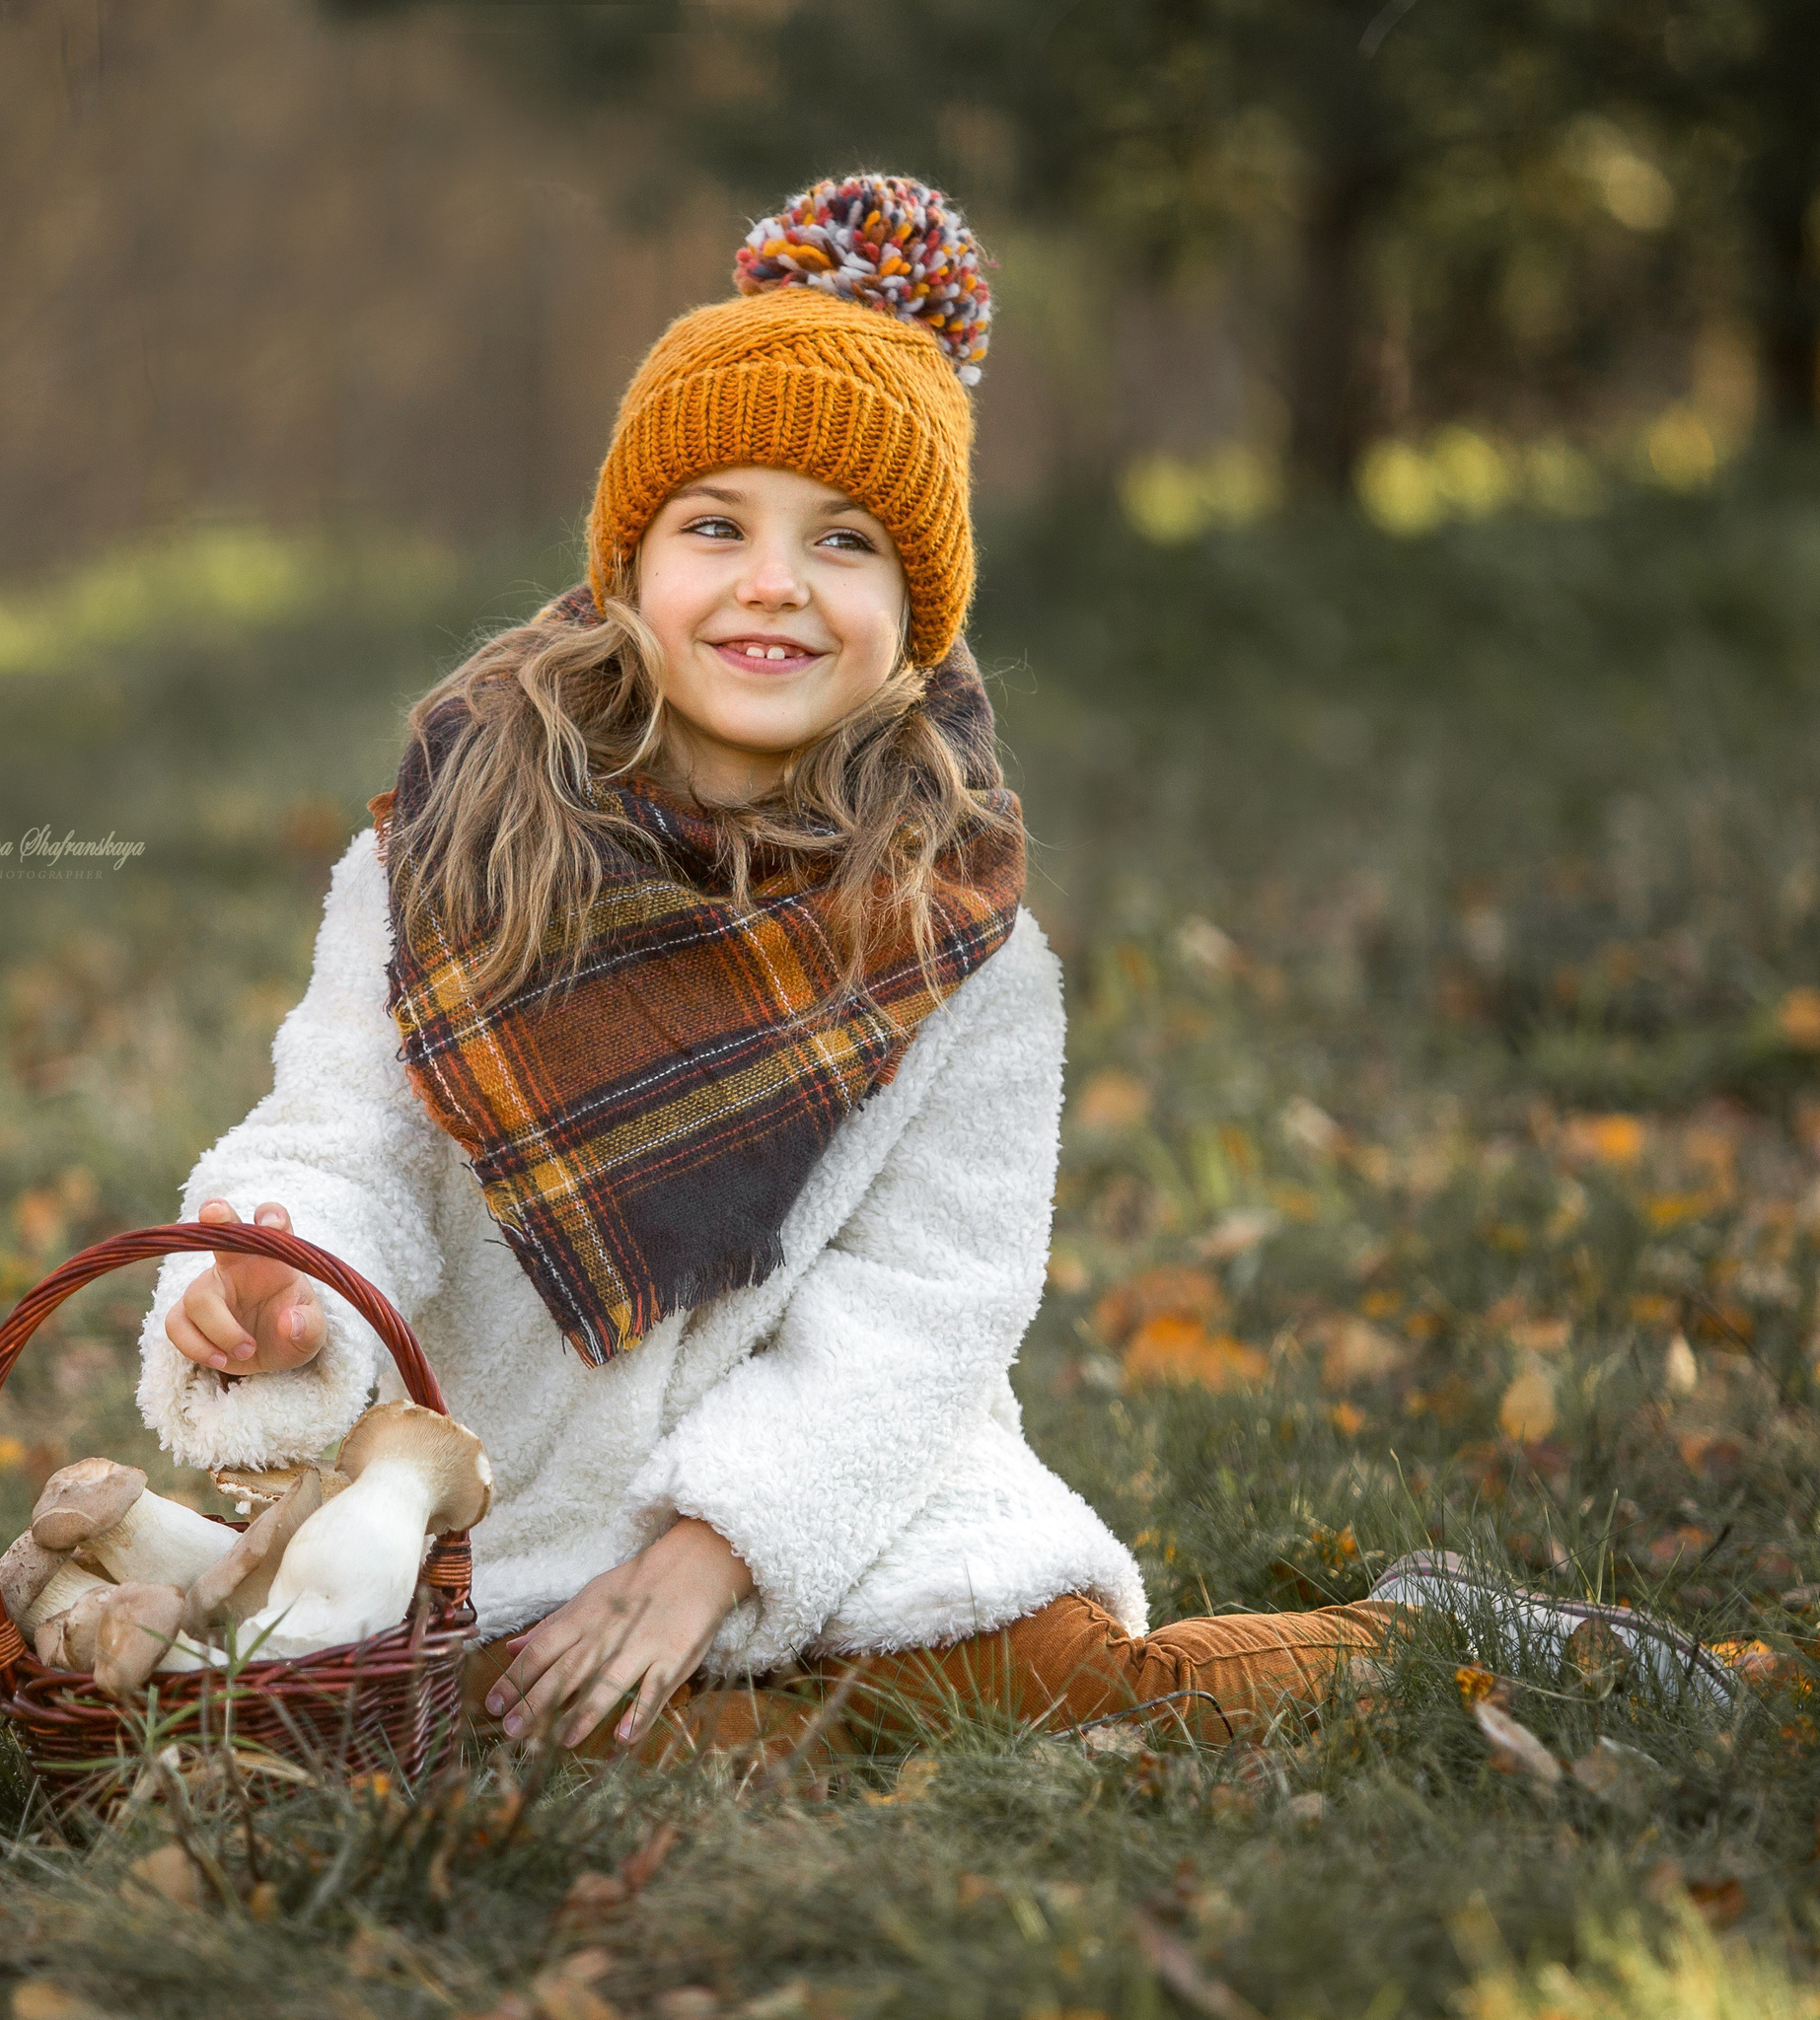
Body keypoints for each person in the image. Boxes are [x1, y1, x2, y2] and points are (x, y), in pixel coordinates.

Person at [132, 173, 1738, 1770]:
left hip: (838, 1513)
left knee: (1078, 1688)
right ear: (628, 576)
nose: (774, 580)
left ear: (915, 621)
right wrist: (276, 1297)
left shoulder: (955, 944)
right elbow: (337, 1137)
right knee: (437, 1736)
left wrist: (722, 1544)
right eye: (716, 527)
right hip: (514, 1511)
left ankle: (1442, 1638)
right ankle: (735, 1740)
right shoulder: (450, 861)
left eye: (844, 542)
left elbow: (927, 1304)